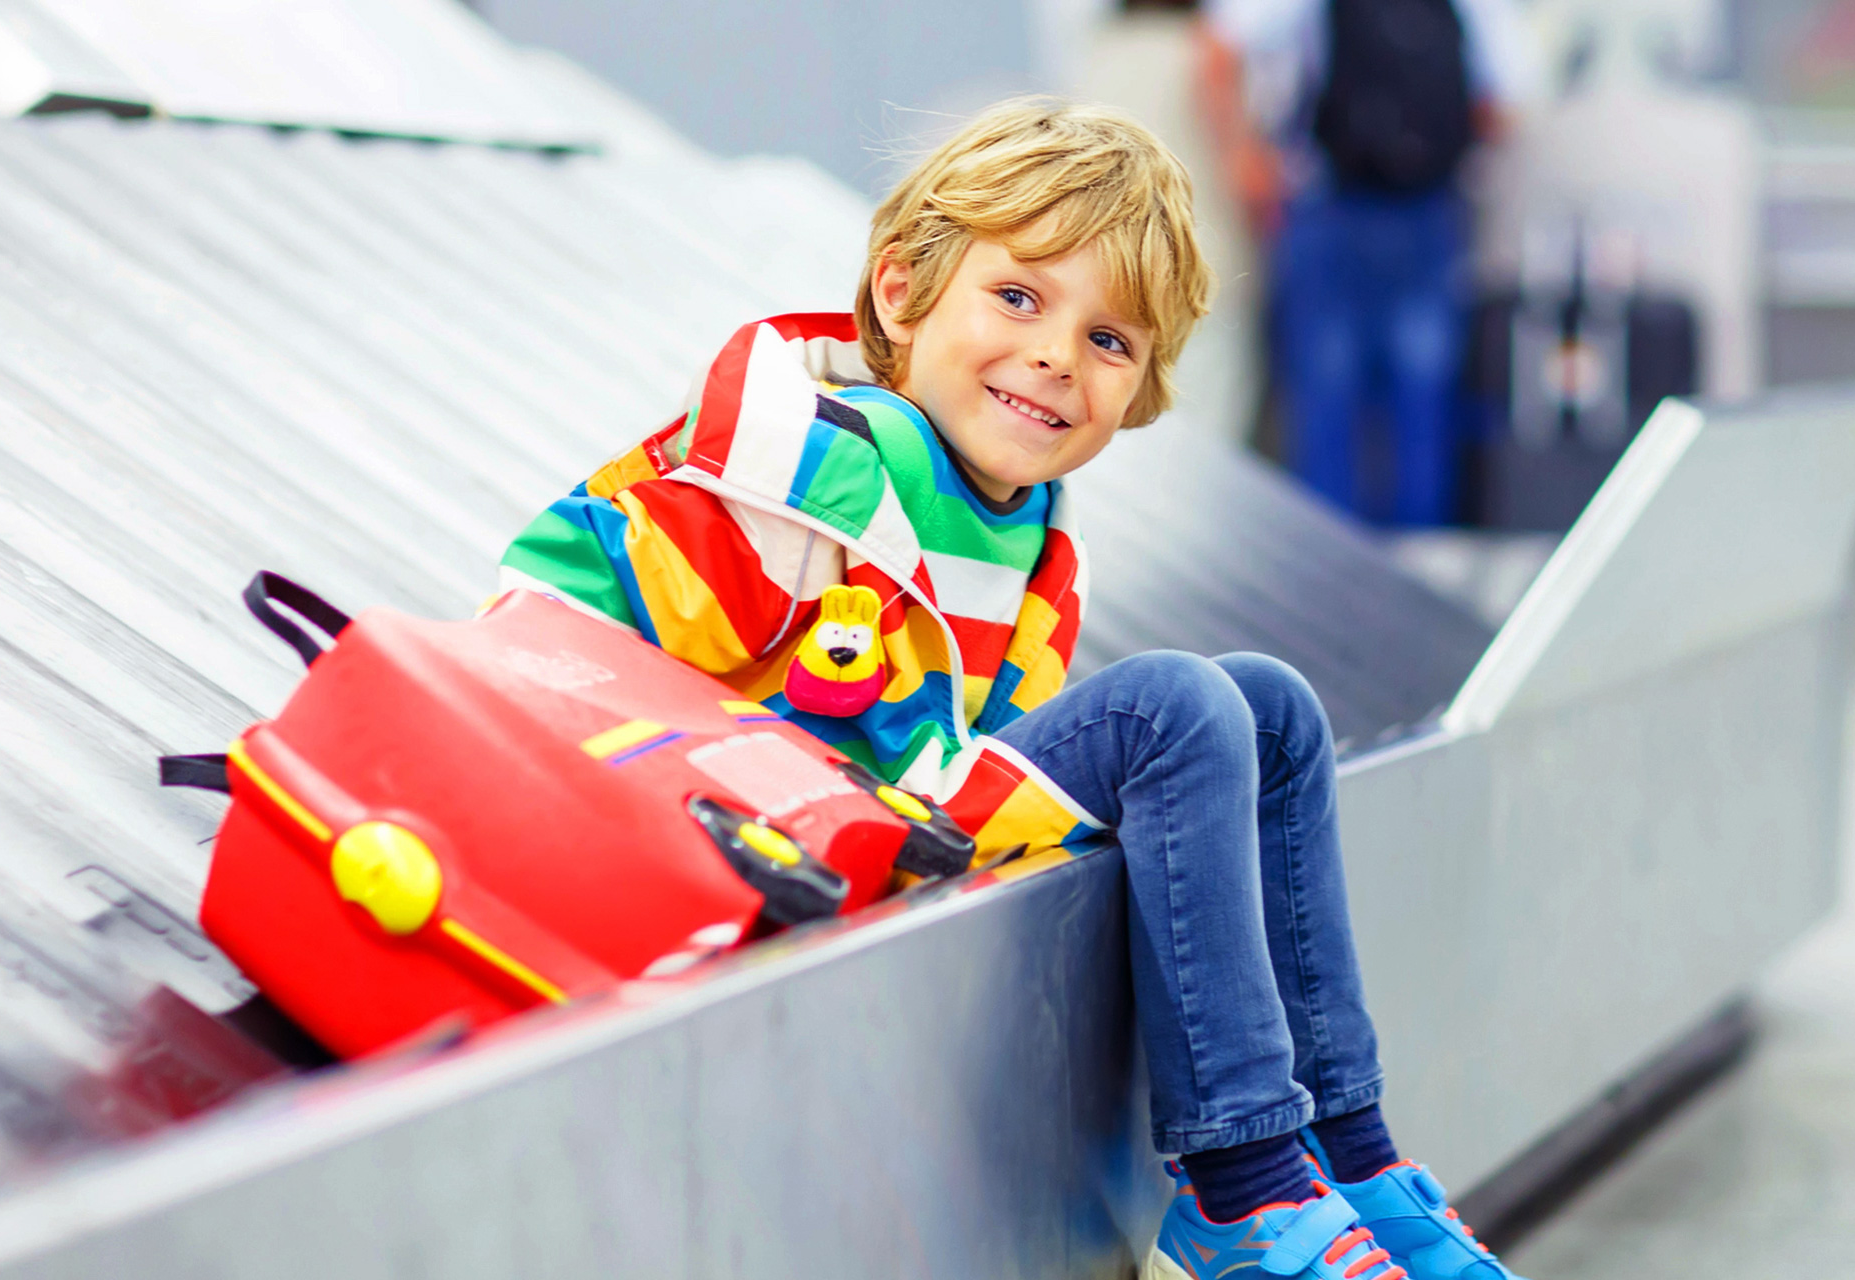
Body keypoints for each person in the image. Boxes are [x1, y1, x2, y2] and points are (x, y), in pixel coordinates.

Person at [498, 99, 1522, 1280]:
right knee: (1171, 706)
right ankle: (1240, 1193)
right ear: (900, 292)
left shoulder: (1024, 537)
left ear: (1137, 390)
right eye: (1021, 298)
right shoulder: (796, 475)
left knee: (1272, 709)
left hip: (891, 816)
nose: (1055, 356)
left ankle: (1347, 1156)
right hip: (761, 840)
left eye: (1109, 341)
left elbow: (971, 738)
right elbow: (551, 619)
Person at [1197, 0, 1525, 526]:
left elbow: (1218, 50)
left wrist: (1247, 160)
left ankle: (1327, 569)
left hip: (1328, 204)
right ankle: (1424, 566)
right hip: (1428, 213)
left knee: (1325, 404)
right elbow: (1504, 103)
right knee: (1423, 407)